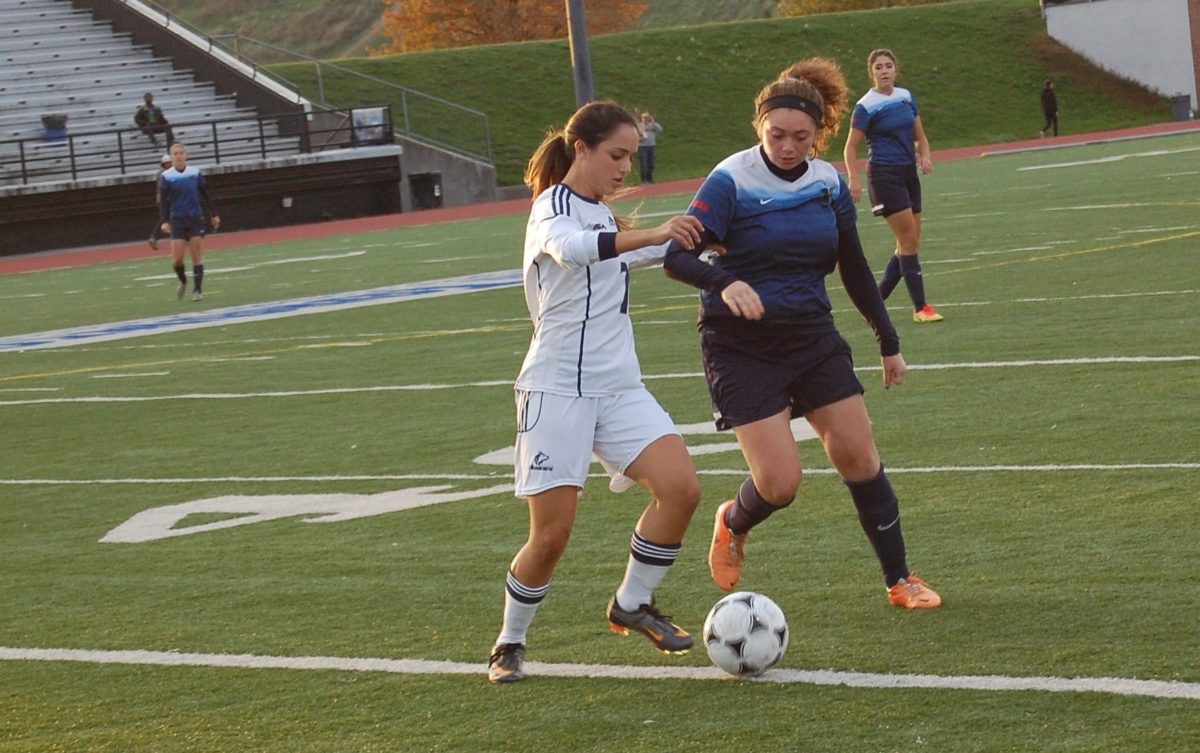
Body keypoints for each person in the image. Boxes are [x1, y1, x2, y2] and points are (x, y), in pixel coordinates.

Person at [662, 58, 942, 612]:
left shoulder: (827, 183)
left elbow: (854, 264)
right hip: (740, 346)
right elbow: (676, 255)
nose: (788, 147)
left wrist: (888, 340)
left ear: (819, 136)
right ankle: (733, 520)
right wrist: (726, 281)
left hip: (812, 336)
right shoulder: (730, 179)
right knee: (780, 484)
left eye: (801, 137)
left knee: (860, 457)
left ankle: (900, 578)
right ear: (759, 129)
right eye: (776, 135)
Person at [487, 101, 706, 684]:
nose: (623, 167)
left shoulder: (602, 213)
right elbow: (573, 250)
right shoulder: (551, 209)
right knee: (552, 536)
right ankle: (510, 641)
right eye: (616, 155)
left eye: (630, 156)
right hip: (555, 388)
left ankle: (632, 603)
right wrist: (653, 232)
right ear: (579, 147)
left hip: (617, 385)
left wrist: (697, 239)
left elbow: (641, 250)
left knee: (681, 489)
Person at [843, 49, 943, 324]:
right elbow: (850, 148)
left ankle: (873, 301)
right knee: (908, 241)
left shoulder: (906, 97)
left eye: (888, 66)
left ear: (896, 70)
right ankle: (920, 308)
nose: (884, 71)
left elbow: (920, 137)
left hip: (908, 174)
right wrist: (853, 179)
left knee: (909, 243)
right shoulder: (865, 106)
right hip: (884, 176)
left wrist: (925, 155)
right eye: (879, 67)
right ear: (871, 73)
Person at [159, 143, 219, 302]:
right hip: (177, 219)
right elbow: (163, 201)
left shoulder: (195, 172)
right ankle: (183, 281)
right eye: (175, 153)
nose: (178, 156)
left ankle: (198, 290)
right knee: (177, 259)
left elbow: (205, 194)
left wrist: (214, 214)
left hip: (195, 218)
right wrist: (164, 221)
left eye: (181, 153)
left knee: (196, 256)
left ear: (186, 155)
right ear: (171, 157)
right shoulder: (166, 176)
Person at [147, 152, 173, 251]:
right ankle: (155, 237)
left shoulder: (162, 173)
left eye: (170, 163)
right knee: (166, 219)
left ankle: (155, 237)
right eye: (167, 163)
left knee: (165, 219)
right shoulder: (163, 174)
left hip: (166, 199)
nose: (169, 165)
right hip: (165, 200)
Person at [637, 111, 664, 183]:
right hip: (643, 147)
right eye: (644, 118)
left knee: (651, 164)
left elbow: (660, 129)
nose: (645, 119)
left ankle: (650, 179)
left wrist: (653, 123)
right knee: (644, 163)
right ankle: (644, 179)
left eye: (647, 118)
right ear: (641, 118)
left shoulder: (653, 125)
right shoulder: (639, 126)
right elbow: (637, 135)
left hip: (651, 146)